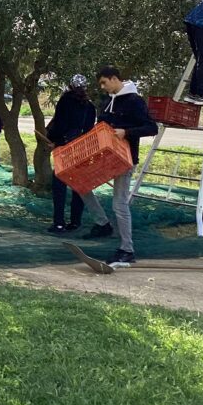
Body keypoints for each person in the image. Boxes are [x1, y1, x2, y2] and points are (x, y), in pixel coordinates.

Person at [79, 66, 158, 266]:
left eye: (105, 83)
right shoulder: (107, 102)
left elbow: (151, 128)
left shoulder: (134, 101)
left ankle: (127, 249)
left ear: (114, 79)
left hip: (124, 159)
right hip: (103, 157)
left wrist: (127, 132)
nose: (104, 88)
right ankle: (102, 223)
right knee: (81, 185)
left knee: (119, 204)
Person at [45, 74, 97, 234]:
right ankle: (75, 222)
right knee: (78, 186)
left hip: (65, 147)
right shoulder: (90, 106)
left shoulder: (65, 101)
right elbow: (89, 130)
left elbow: (59, 124)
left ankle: (59, 223)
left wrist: (52, 138)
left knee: (59, 185)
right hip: (82, 148)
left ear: (70, 85)